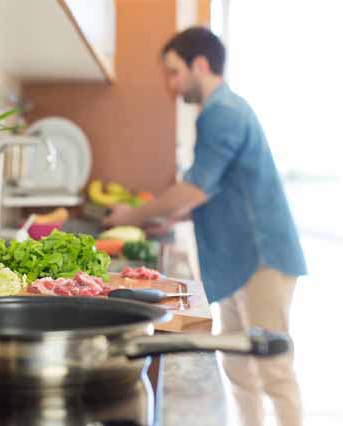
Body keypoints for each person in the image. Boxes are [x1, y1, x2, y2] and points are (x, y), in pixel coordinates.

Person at [104, 27, 307, 426]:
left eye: (174, 72)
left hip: (260, 256)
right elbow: (212, 190)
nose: (171, 85)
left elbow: (195, 189)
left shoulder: (222, 113)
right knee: (239, 364)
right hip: (241, 259)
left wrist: (131, 217)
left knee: (272, 367)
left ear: (201, 64)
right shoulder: (219, 112)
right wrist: (170, 211)